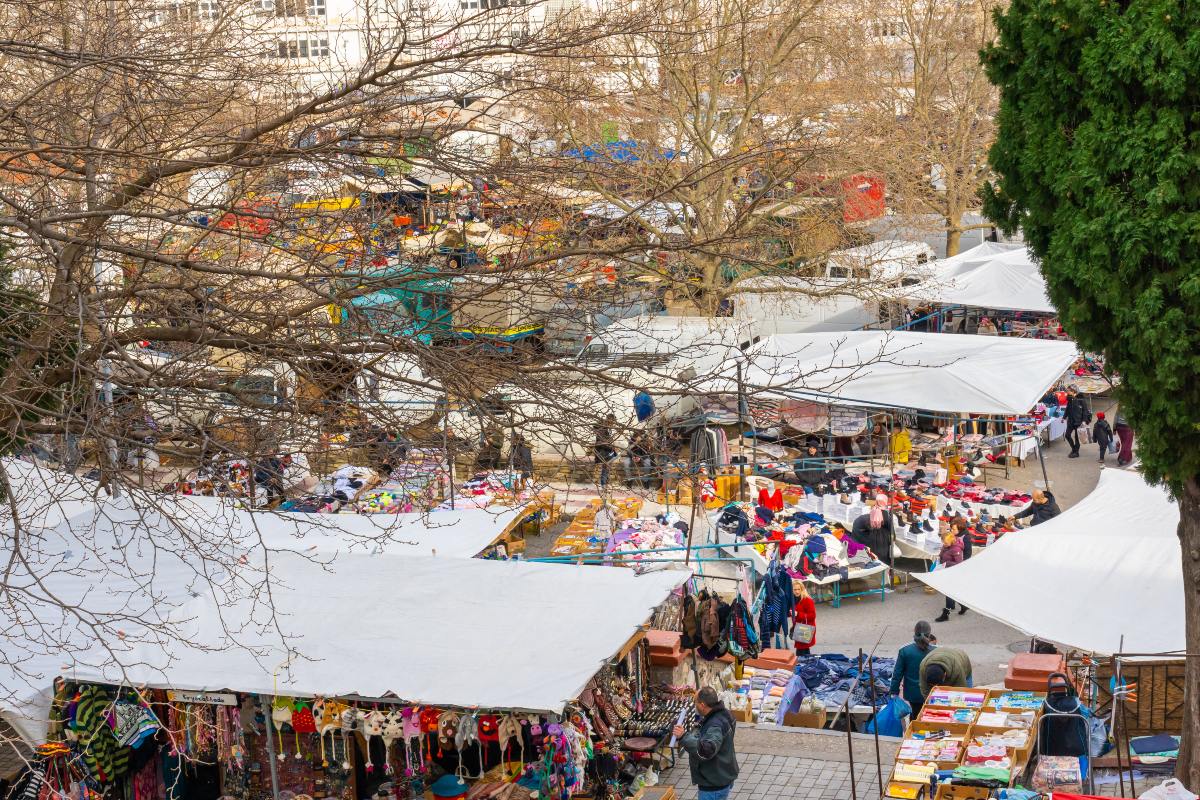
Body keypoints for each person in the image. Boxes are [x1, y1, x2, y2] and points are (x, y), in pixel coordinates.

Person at [672, 687, 739, 800]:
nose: (695, 705)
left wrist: (684, 736)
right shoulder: (723, 714)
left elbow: (707, 751)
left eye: (695, 702)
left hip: (714, 785)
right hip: (721, 776)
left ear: (702, 704)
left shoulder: (715, 725)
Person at [890, 621, 937, 712]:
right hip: (932, 692)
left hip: (912, 693)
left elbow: (897, 674)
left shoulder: (905, 650)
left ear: (915, 632)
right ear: (929, 634)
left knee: (915, 716)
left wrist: (894, 692)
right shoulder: (936, 651)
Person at [851, 494, 894, 566]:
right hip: (881, 543)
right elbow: (891, 530)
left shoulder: (868, 514)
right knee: (882, 560)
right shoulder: (885, 515)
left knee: (873, 557)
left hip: (870, 542)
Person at [934, 532, 966, 622]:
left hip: (954, 573)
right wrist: (939, 558)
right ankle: (963, 606)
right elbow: (942, 554)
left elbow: (959, 564)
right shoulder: (946, 545)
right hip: (946, 571)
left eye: (945, 543)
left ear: (951, 540)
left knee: (948, 592)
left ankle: (946, 613)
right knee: (950, 592)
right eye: (943, 542)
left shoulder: (956, 549)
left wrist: (946, 563)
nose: (944, 544)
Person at [1063, 387, 1091, 458]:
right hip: (1070, 421)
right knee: (1067, 435)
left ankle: (1076, 452)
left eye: (1068, 391)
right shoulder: (1069, 399)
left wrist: (1084, 421)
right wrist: (1064, 417)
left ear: (1073, 391)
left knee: (1077, 438)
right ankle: (1074, 449)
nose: (1067, 392)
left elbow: (1085, 411)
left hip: (1079, 422)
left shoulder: (1081, 400)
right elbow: (1067, 409)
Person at [593, 414, 618, 488]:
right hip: (603, 451)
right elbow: (602, 442)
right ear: (609, 420)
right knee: (606, 468)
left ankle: (605, 483)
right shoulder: (602, 429)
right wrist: (611, 447)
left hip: (608, 451)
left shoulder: (608, 429)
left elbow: (608, 441)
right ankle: (603, 484)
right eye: (613, 422)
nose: (613, 424)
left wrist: (613, 447)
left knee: (607, 468)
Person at [792, 582, 816, 655]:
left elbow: (812, 615)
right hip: (799, 627)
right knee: (803, 650)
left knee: (802, 650)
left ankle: (802, 664)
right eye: (795, 589)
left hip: (805, 628)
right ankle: (805, 663)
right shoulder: (793, 600)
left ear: (802, 589)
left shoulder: (808, 600)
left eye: (799, 589)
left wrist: (798, 614)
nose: (797, 591)